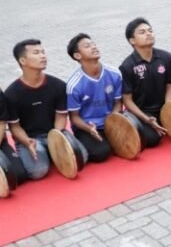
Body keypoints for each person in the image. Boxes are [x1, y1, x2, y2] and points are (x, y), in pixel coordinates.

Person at [5, 39, 77, 180]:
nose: (43, 56)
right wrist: (27, 141)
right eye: (36, 53)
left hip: (53, 133)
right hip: (29, 138)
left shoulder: (58, 85)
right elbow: (15, 127)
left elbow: (61, 117)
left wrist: (57, 139)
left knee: (82, 157)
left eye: (43, 52)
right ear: (23, 61)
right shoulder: (11, 94)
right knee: (38, 172)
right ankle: (41, 153)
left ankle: (49, 151)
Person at [66, 33, 122, 162]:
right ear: (77, 56)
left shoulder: (114, 74)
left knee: (142, 140)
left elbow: (118, 103)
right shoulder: (74, 85)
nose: (94, 47)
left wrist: (113, 120)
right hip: (88, 127)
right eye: (87, 46)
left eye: (94, 44)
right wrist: (88, 128)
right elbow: (74, 117)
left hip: (111, 121)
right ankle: (79, 144)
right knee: (101, 153)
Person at [119, 18, 171, 148]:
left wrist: (169, 110)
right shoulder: (127, 66)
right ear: (132, 41)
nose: (148, 34)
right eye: (142, 32)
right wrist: (146, 119)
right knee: (152, 139)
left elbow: (170, 86)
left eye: (150, 30)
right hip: (142, 112)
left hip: (164, 108)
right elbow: (127, 100)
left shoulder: (166, 57)